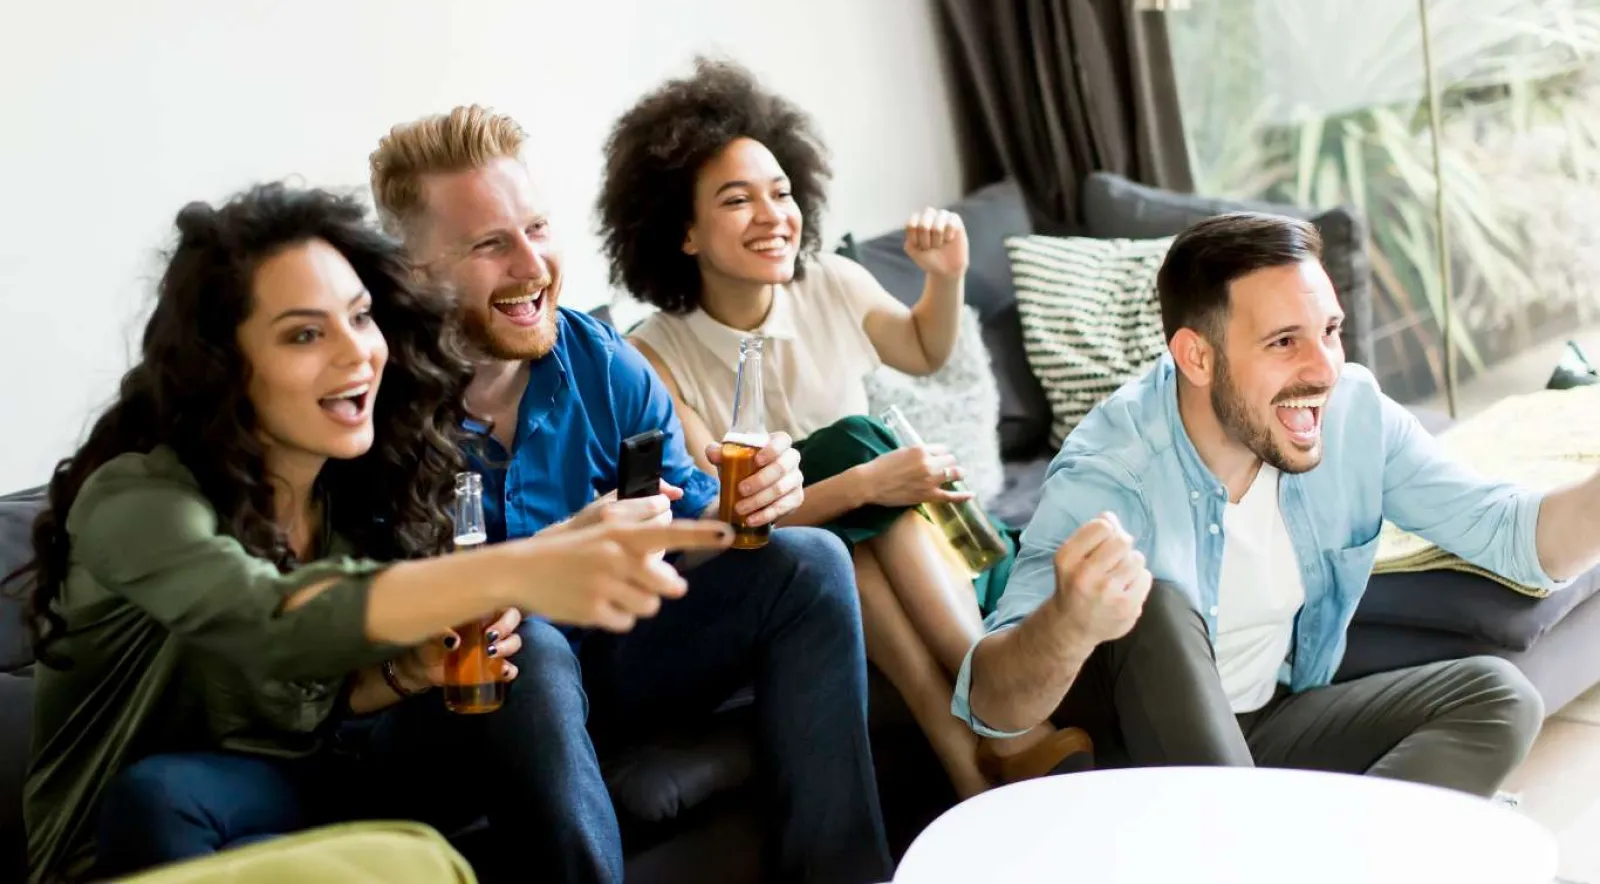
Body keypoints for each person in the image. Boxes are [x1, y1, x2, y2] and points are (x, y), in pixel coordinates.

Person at [12, 184, 729, 884]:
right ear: (221, 364)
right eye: (304, 333)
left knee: (524, 654)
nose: (357, 354)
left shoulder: (351, 489)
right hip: (158, 826)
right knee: (161, 791)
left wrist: (408, 672)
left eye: (360, 318)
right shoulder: (139, 501)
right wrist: (526, 564)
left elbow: (318, 706)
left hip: (318, 783)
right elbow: (270, 621)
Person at [365, 104, 892, 884]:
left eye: (537, 229)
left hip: (603, 667)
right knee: (527, 648)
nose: (532, 265)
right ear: (411, 273)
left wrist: (743, 504)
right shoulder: (368, 409)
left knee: (806, 562)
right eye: (489, 244)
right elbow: (368, 633)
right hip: (453, 712)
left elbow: (694, 517)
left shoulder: (597, 358)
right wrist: (542, 568)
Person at [958, 211, 1600, 797]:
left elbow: (1511, 533)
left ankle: (1306, 853)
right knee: (1156, 605)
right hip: (1143, 767)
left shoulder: (1351, 414)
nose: (1323, 370)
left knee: (1499, 697)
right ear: (1197, 356)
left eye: (1330, 332)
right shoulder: (1111, 472)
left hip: (1269, 721)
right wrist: (1070, 621)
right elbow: (993, 709)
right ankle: (1276, 845)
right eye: (1284, 342)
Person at [594, 57, 1091, 798]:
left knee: (848, 492)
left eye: (781, 192)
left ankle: (973, 755)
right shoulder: (652, 357)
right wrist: (867, 481)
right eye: (738, 200)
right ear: (684, 232)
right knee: (846, 485)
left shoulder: (832, 282)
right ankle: (1000, 726)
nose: (773, 216)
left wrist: (945, 276)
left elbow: (923, 349)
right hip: (810, 582)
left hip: (949, 547)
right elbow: (722, 518)